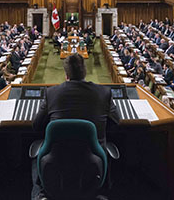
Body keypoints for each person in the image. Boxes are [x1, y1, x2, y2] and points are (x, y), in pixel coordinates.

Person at [32, 53, 120, 200]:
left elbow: (36, 125)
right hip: (93, 166)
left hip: (56, 164)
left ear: (66, 74)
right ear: (85, 72)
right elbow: (116, 122)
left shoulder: (51, 93)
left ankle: (40, 195)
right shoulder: (104, 92)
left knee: (36, 155)